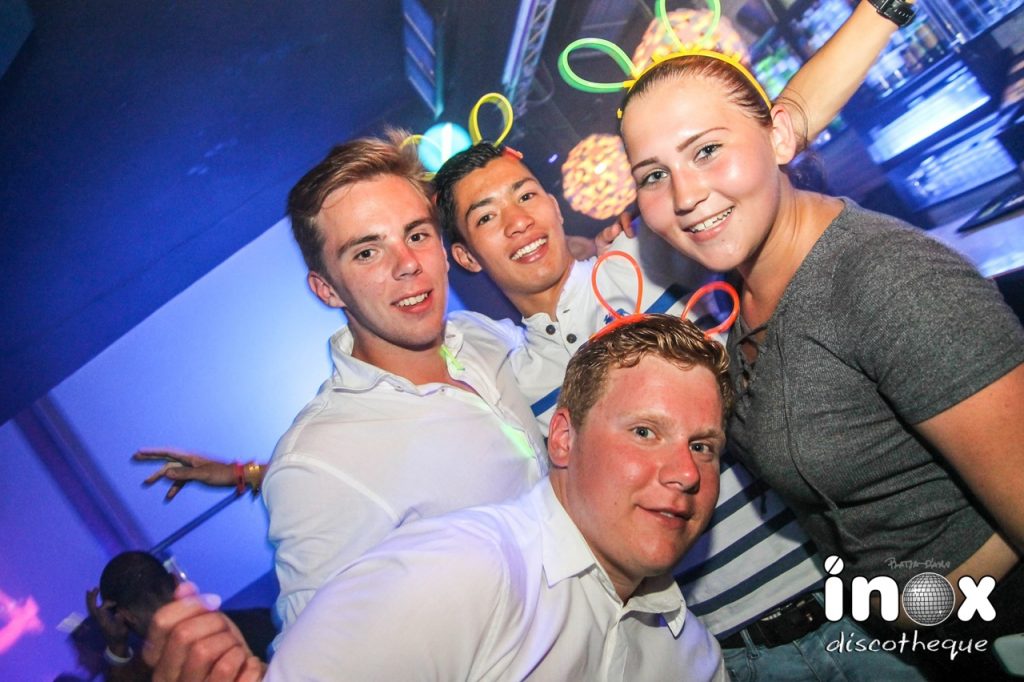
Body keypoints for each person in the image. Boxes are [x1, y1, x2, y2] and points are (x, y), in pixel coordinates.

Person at [617, 47, 1024, 679]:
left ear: (779, 136)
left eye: (707, 150)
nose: (686, 195)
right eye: (653, 175)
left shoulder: (886, 279)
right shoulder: (744, 298)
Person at [143, 315, 731, 681]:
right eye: (645, 432)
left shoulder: (693, 656)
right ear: (562, 437)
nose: (685, 472)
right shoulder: (459, 576)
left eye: (702, 446)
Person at [85, 551, 276, 680]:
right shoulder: (262, 620)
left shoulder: (157, 672)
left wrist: (117, 645)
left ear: (127, 616)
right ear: (175, 580)